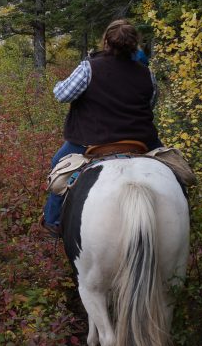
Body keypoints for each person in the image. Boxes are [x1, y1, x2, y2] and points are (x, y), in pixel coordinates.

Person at [42, 19, 163, 236]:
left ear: (106, 41)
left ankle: (53, 221)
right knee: (176, 171)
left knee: (57, 167)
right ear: (135, 44)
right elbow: (151, 103)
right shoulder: (147, 73)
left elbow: (62, 95)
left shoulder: (89, 67)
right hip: (140, 140)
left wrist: (58, 84)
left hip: (92, 140)